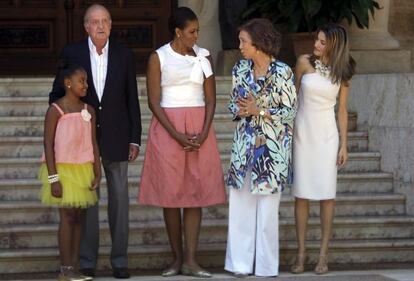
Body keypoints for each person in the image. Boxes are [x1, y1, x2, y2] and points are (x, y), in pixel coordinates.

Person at [49, 4, 141, 279]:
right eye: (95, 22)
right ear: (86, 26)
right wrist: (69, 124)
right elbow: (56, 94)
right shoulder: (72, 53)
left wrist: (135, 138)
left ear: (111, 25)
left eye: (105, 22)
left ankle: (120, 260)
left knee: (119, 201)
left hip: (117, 135)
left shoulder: (124, 54)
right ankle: (87, 260)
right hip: (82, 141)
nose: (101, 26)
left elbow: (131, 99)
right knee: (88, 200)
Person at [138, 6, 226, 278]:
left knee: (195, 195)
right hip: (168, 129)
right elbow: (154, 101)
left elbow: (211, 98)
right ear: (178, 32)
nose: (196, 35)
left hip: (199, 128)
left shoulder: (204, 57)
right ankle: (176, 258)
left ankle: (191, 260)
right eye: (192, 31)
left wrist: (203, 131)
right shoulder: (158, 57)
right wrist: (176, 135)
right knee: (171, 195)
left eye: (198, 30)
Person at [225, 18, 297, 277]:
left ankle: (266, 268)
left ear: (258, 43)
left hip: (272, 152)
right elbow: (233, 105)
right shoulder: (239, 70)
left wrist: (261, 110)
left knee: (267, 215)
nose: (240, 46)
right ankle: (240, 265)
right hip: (243, 148)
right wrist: (241, 109)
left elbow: (290, 113)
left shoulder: (283, 72)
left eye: (244, 41)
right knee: (240, 208)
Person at [290, 23, 356, 275]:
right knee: (301, 194)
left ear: (334, 46)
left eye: (322, 42)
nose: (316, 45)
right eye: (316, 40)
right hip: (302, 133)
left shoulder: (344, 70)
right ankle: (301, 253)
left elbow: (342, 110)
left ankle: (323, 255)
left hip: (327, 136)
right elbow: (293, 100)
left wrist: (344, 144)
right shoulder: (303, 62)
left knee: (327, 195)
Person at [39, 62, 100, 281]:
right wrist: (53, 178)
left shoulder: (89, 110)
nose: (86, 85)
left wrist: (97, 172)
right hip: (62, 171)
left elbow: (93, 143)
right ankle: (65, 269)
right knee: (67, 216)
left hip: (83, 169)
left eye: (86, 81)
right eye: (81, 81)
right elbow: (48, 144)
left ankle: (74, 266)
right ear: (68, 83)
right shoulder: (56, 110)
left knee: (78, 217)